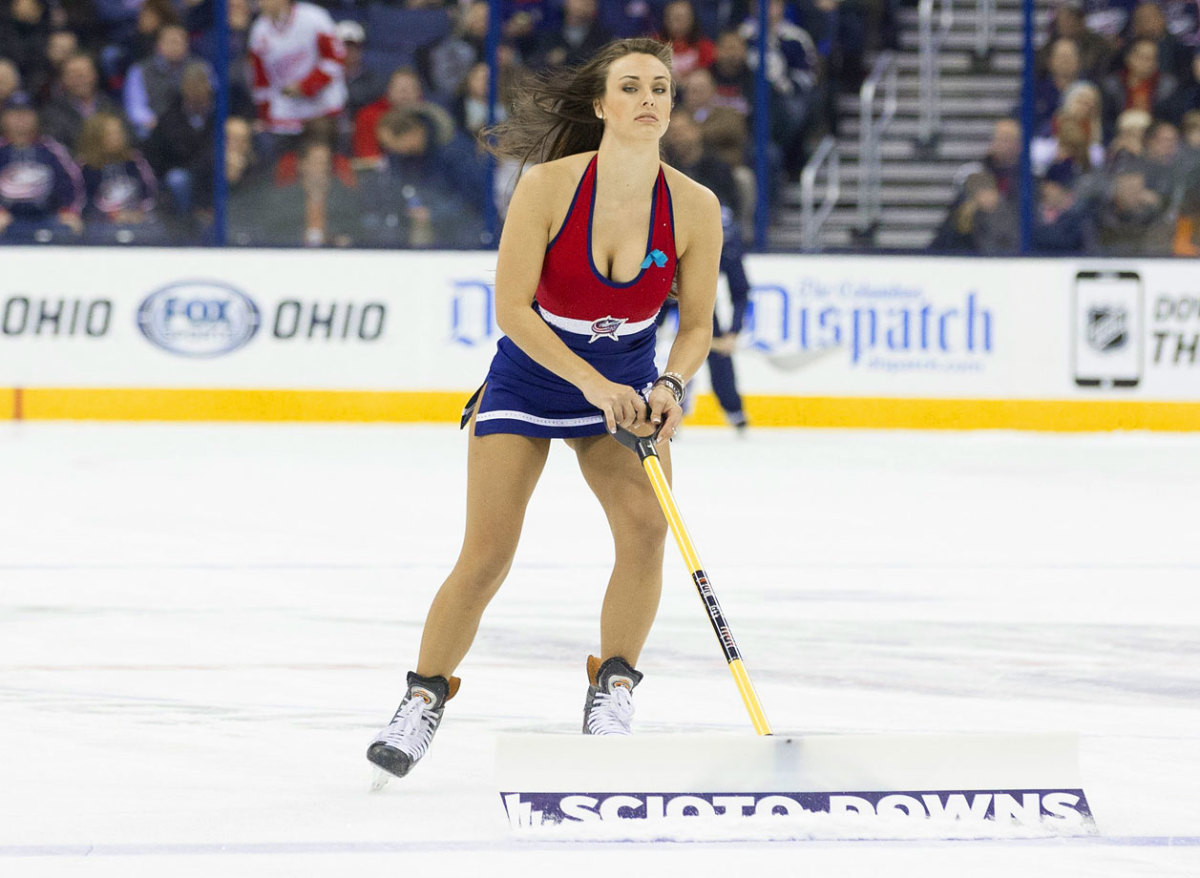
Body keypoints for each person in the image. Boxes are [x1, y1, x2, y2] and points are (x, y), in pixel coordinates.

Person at [366, 38, 722, 781]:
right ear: (601, 106)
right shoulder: (549, 187)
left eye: (661, 87)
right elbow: (511, 310)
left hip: (625, 388)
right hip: (534, 381)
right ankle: (423, 698)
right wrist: (593, 386)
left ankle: (614, 686)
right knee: (488, 555)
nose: (649, 99)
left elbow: (693, 328)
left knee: (648, 531)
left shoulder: (694, 206)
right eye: (630, 87)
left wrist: (673, 387)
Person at [661, 110, 749, 430]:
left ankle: (735, 413)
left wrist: (733, 331)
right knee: (637, 343)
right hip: (659, 288)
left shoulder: (724, 241)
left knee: (712, 345)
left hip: (691, 290)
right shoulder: (665, 172)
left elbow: (740, 288)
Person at [248, 0, 347, 246]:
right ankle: (284, 227)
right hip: (285, 113)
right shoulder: (259, 32)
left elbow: (335, 59)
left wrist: (306, 86)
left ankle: (321, 227)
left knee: (318, 160)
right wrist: (265, 117)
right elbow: (261, 83)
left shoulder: (313, 18)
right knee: (280, 165)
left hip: (322, 106)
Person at [0, 91, 84, 242]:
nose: (20, 119)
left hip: (47, 219)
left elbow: (73, 184)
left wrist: (69, 211)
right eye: (14, 114)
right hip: (6, 221)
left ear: (36, 117)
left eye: (26, 113)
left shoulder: (52, 150)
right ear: (4, 118)